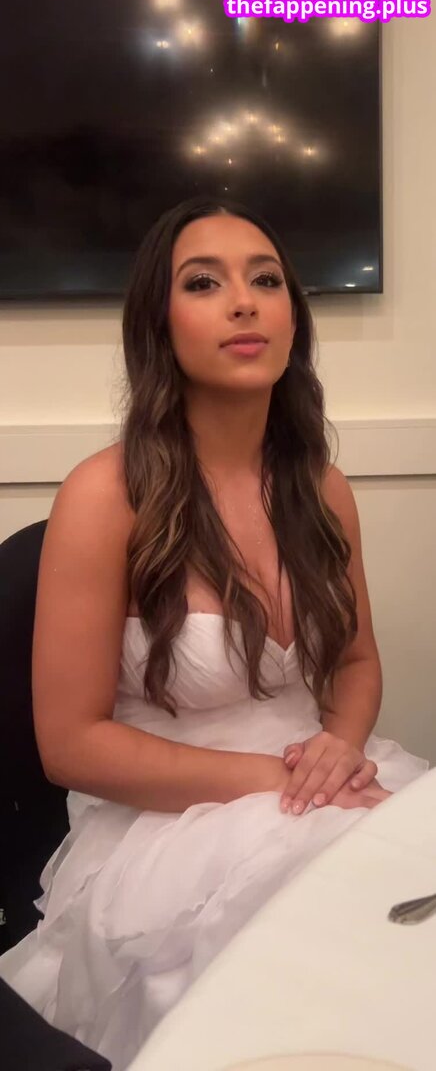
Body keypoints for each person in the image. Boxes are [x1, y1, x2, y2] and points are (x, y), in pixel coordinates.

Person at [0, 197, 429, 1070]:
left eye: (266, 280)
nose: (243, 302)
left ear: (292, 319)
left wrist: (340, 747)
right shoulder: (104, 495)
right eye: (204, 283)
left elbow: (354, 660)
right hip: (173, 824)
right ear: (158, 325)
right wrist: (276, 783)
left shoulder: (322, 488)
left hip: (322, 778)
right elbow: (71, 744)